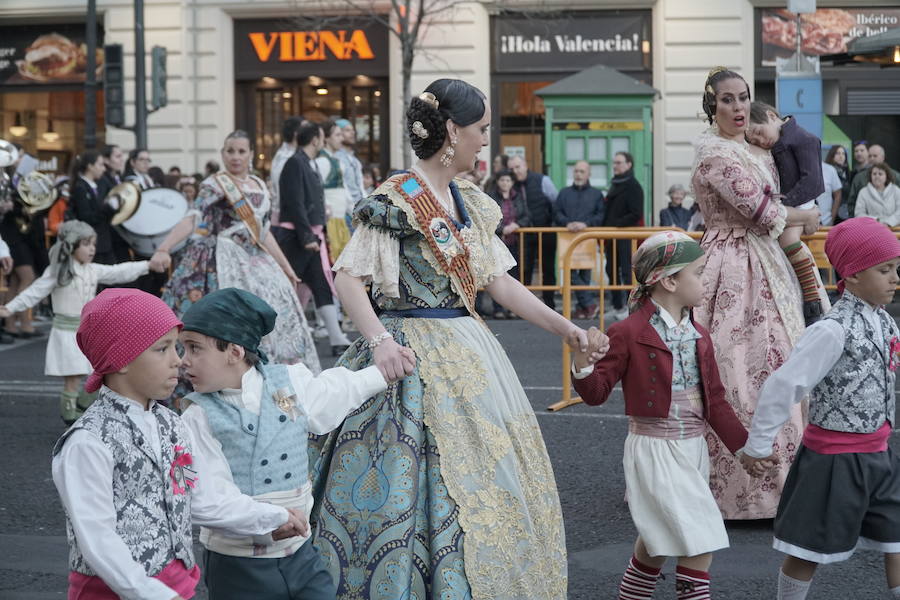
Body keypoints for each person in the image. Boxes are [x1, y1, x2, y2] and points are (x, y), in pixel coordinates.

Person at [310, 78, 599, 600]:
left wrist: (569, 330)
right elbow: (349, 277)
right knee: (410, 480)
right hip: (407, 351)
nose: (486, 140)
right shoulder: (396, 200)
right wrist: (379, 342)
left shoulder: (469, 200)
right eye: (481, 129)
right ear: (451, 131)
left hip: (470, 348)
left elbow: (499, 283)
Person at [51, 288, 307, 600]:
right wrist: (153, 594)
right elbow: (97, 537)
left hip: (178, 584)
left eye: (177, 347)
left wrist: (274, 516)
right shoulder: (88, 442)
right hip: (110, 592)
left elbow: (199, 498)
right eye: (163, 349)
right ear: (121, 360)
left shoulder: (171, 424)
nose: (178, 361)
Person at [572, 231, 766, 600]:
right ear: (669, 280)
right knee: (700, 539)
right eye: (698, 272)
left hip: (693, 450)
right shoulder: (627, 332)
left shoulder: (700, 335)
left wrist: (745, 449)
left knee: (656, 542)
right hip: (655, 450)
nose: (704, 279)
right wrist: (583, 365)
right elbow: (596, 394)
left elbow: (717, 403)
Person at [178, 288, 396, 599]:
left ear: (234, 351)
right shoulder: (199, 415)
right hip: (239, 565)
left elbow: (330, 394)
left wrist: (382, 373)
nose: (183, 362)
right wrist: (272, 518)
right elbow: (206, 498)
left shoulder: (283, 386)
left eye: (194, 348)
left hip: (301, 555)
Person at [740, 218, 900, 600]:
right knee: (807, 549)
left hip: (879, 455)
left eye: (896, 269)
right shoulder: (831, 330)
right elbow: (784, 385)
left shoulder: (885, 323)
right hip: (833, 460)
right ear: (854, 275)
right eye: (885, 270)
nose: (896, 278)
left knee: (896, 538)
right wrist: (758, 444)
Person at [691, 66, 821, 520]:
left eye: (743, 98)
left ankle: (783, 484)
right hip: (728, 265)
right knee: (734, 367)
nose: (738, 107)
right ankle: (734, 490)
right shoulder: (715, 155)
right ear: (712, 105)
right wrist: (807, 215)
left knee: (779, 362)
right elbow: (763, 213)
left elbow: (773, 213)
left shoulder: (754, 151)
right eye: (727, 100)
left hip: (767, 264)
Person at [151, 130, 320, 373]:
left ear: (251, 154)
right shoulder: (214, 184)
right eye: (230, 151)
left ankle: (269, 376)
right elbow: (193, 218)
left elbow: (263, 232)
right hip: (220, 260)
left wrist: (286, 268)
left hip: (258, 264)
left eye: (241, 151)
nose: (236, 157)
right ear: (222, 153)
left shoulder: (260, 185)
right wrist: (164, 247)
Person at [0, 220, 158, 423]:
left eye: (93, 244)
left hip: (87, 333)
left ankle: (83, 408)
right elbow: (35, 291)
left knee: (99, 373)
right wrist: (10, 307)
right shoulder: (58, 272)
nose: (92, 249)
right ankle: (70, 418)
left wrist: (146, 265)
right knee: (73, 378)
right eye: (86, 244)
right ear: (71, 245)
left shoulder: (92, 269)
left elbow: (118, 271)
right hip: (66, 334)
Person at [275, 121, 352, 356]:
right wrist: (306, 234)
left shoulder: (306, 163)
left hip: (311, 235)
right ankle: (278, 335)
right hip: (296, 237)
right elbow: (294, 202)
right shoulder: (294, 163)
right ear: (316, 140)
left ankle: (336, 338)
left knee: (320, 285)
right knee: (288, 287)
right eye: (321, 137)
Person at [746, 101, 826, 325]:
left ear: (772, 116)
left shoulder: (804, 139)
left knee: (789, 240)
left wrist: (783, 206)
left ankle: (812, 297)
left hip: (799, 202)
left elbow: (813, 182)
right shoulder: (780, 141)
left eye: (759, 133)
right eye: (754, 140)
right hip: (786, 203)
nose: (761, 141)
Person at [554, 160, 604, 318]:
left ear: (589, 174)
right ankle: (589, 303)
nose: (578, 174)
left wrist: (586, 224)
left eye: (582, 171)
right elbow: (557, 212)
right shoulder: (564, 193)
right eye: (576, 171)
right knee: (569, 272)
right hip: (567, 238)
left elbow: (601, 215)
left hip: (586, 238)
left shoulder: (596, 194)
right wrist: (566, 223)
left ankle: (581, 308)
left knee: (585, 275)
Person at [508, 154, 559, 309]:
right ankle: (526, 306)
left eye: (518, 167)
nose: (515, 171)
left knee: (548, 268)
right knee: (524, 269)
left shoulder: (542, 180)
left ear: (525, 165)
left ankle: (549, 304)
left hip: (545, 231)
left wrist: (552, 224)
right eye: (512, 168)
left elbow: (555, 202)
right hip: (523, 234)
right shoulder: (510, 184)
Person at [603, 151, 644, 321]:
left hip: (626, 235)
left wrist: (616, 224)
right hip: (612, 236)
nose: (615, 165)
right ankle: (617, 305)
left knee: (627, 273)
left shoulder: (633, 185)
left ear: (629, 165)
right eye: (614, 162)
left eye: (619, 162)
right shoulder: (615, 184)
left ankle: (631, 308)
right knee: (611, 270)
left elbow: (636, 213)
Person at [488, 168, 530, 318]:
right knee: (498, 275)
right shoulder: (491, 196)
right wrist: (502, 229)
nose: (505, 183)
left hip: (516, 242)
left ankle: (514, 309)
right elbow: (488, 218)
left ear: (512, 182)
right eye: (502, 180)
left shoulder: (518, 197)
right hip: (499, 241)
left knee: (515, 275)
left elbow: (526, 216)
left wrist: (516, 225)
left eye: (508, 180)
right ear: (498, 182)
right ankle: (498, 308)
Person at [68, 151, 123, 265]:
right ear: (90, 166)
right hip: (91, 243)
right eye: (100, 164)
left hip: (104, 242)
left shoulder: (99, 185)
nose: (104, 169)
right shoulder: (81, 187)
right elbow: (87, 217)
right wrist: (108, 208)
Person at [315, 119, 353, 261]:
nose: (341, 138)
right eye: (337, 135)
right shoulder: (321, 162)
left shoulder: (335, 161)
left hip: (340, 219)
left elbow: (345, 192)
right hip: (330, 221)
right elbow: (319, 193)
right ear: (326, 138)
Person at [269, 116, 305, 225]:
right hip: (287, 218)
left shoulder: (293, 154)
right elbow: (282, 191)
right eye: (306, 129)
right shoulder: (285, 157)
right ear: (296, 133)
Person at [847, 144, 900, 217]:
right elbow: (851, 203)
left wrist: (890, 222)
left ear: (883, 157)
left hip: (893, 226)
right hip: (866, 225)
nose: (872, 158)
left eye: (875, 156)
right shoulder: (859, 177)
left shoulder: (896, 176)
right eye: (870, 156)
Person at [334, 118, 365, 223]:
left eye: (352, 130)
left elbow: (360, 187)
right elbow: (343, 188)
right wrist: (353, 211)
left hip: (361, 212)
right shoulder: (336, 158)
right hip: (348, 214)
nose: (352, 133)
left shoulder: (354, 160)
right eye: (347, 130)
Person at [854, 163, 900, 227]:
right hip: (872, 229)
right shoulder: (863, 192)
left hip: (894, 229)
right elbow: (859, 214)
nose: (877, 176)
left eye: (880, 174)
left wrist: (888, 223)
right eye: (874, 174)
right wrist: (876, 220)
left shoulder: (896, 190)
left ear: (887, 176)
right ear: (870, 176)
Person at [825, 145, 851, 223]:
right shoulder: (827, 172)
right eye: (838, 153)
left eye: (843, 154)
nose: (841, 156)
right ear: (832, 155)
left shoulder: (848, 174)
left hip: (845, 214)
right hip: (831, 215)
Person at [815, 160, 843, 226]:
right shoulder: (799, 168)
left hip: (826, 222)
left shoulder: (830, 170)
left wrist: (832, 218)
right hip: (803, 225)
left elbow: (838, 194)